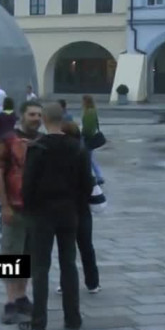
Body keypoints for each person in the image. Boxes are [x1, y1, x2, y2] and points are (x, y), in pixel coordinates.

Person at [18, 103, 92, 330]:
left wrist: (29, 209)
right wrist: (77, 206)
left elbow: (28, 185)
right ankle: (73, 320)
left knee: (41, 267)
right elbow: (87, 183)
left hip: (42, 213)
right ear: (63, 119)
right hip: (69, 211)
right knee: (69, 264)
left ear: (44, 119)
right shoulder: (77, 147)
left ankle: (39, 322)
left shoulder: (38, 148)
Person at [0, 100, 43, 325]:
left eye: (39, 115)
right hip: (14, 207)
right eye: (32, 114)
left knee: (30, 256)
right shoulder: (8, 140)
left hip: (38, 210)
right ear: (22, 115)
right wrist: (5, 205)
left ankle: (22, 297)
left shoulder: (43, 142)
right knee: (11, 254)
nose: (36, 118)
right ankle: (10, 301)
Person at [59, 121, 101, 295]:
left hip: (65, 207)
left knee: (66, 248)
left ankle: (66, 283)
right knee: (86, 246)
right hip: (81, 207)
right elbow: (89, 181)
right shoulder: (83, 153)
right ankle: (92, 283)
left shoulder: (58, 156)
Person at [81, 95, 104, 185]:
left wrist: (83, 134)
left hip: (88, 137)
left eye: (83, 101)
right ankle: (98, 176)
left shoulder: (89, 112)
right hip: (90, 136)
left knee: (88, 158)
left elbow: (88, 127)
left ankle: (96, 176)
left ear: (86, 102)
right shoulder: (93, 111)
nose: (82, 103)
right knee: (90, 158)